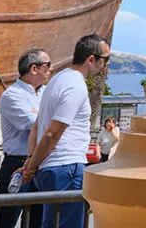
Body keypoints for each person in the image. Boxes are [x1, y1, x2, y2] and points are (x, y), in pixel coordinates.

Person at [19, 34, 110, 228]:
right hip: (66, 166)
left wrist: (31, 160)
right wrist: (32, 166)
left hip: (52, 167)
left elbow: (38, 126)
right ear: (91, 59)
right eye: (105, 59)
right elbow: (53, 133)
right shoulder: (75, 86)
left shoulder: (57, 79)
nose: (106, 65)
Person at [0, 47, 50, 228]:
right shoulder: (12, 96)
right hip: (17, 163)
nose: (51, 70)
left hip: (40, 163)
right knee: (7, 219)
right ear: (34, 69)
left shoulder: (46, 93)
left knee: (37, 220)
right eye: (47, 65)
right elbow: (36, 124)